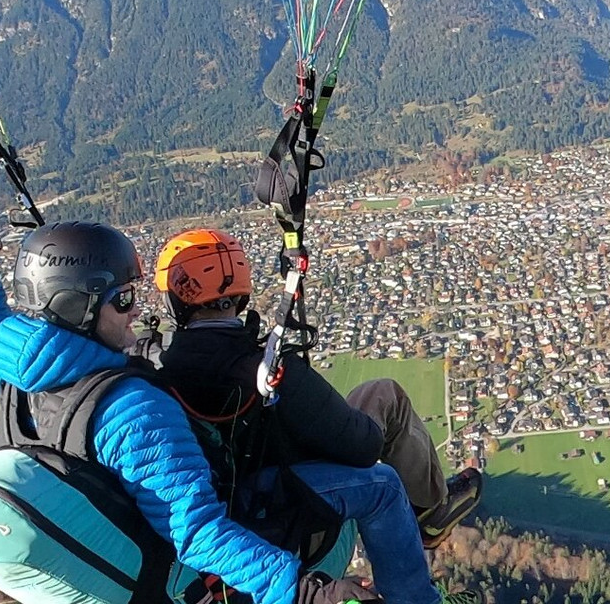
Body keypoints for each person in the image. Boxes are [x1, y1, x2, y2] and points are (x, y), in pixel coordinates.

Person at [0, 192, 453, 604]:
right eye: (123, 299)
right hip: (234, 537)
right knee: (383, 482)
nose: (133, 311)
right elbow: (196, 531)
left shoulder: (14, 369)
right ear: (75, 307)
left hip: (131, 534)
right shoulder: (133, 412)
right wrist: (304, 590)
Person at [153, 229, 483, 601]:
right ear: (240, 294)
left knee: (375, 398)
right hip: (268, 499)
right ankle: (425, 539)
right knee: (385, 451)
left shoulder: (160, 372)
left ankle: (427, 514)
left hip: (234, 495)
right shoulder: (269, 368)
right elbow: (362, 446)